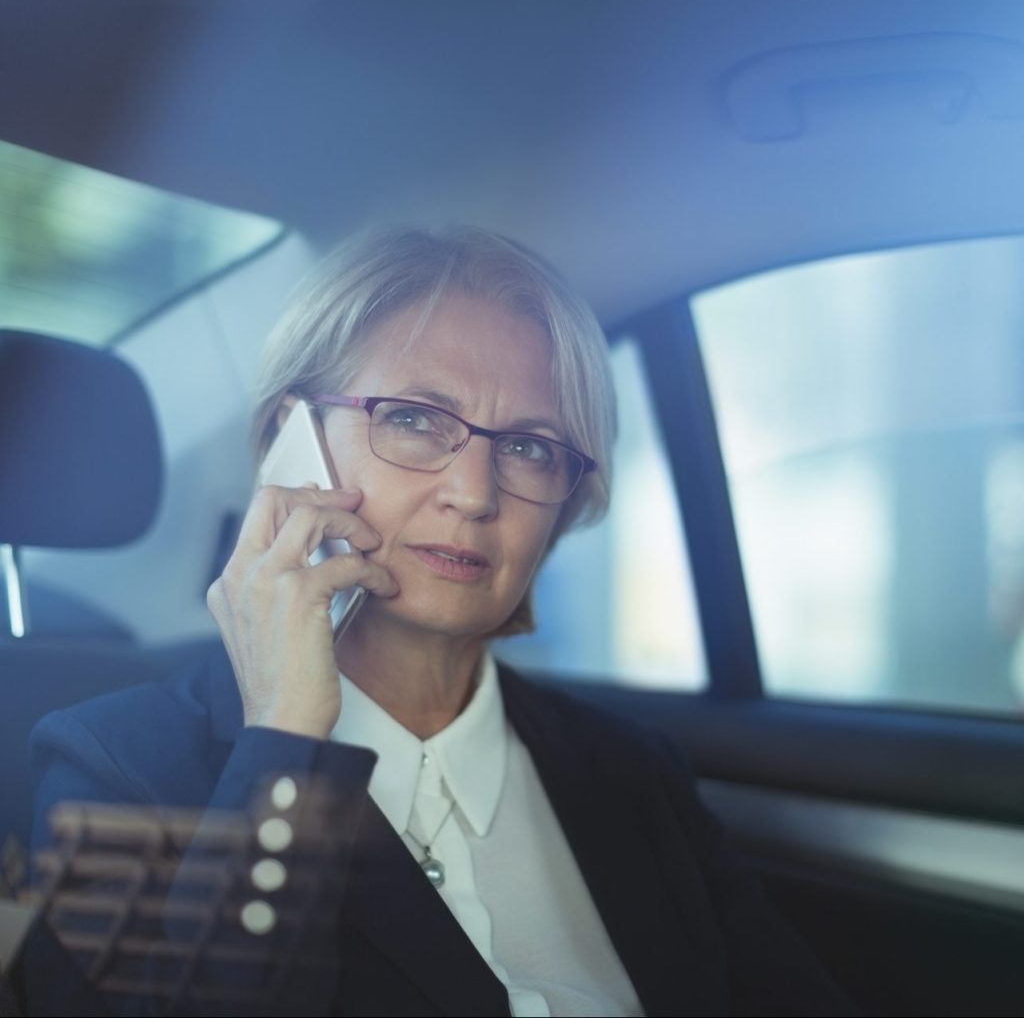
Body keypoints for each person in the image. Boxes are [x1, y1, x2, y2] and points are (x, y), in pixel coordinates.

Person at [27, 227, 856, 1016]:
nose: (474, 492)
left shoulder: (633, 776)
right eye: (414, 419)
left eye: (531, 448)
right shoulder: (116, 771)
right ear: (294, 441)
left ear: (564, 507)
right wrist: (284, 739)